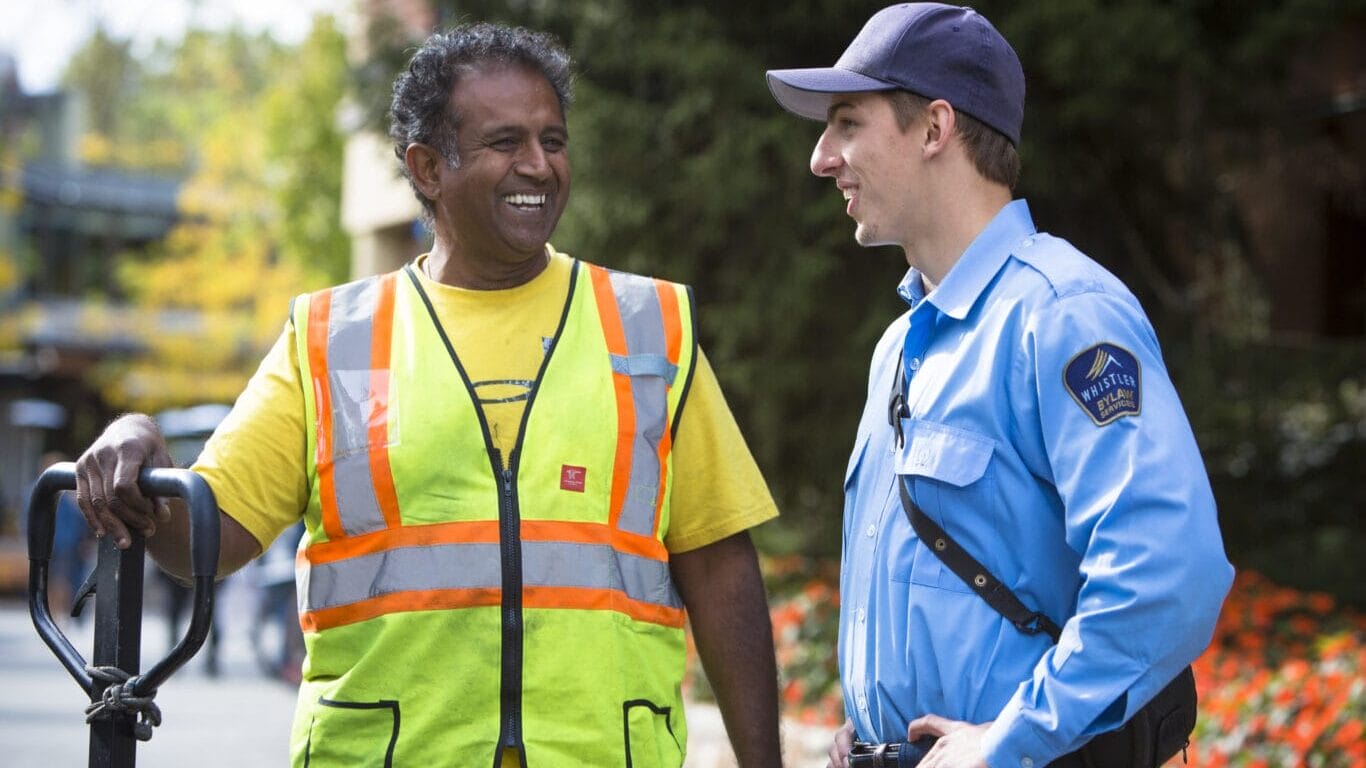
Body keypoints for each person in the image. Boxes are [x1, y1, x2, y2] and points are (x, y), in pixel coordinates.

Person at [74, 22, 781, 767]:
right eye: (505, 142)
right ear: (428, 167)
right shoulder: (332, 339)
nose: (539, 165)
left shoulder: (649, 327)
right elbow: (205, 542)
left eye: (553, 141)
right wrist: (137, 438)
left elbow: (719, 565)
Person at [766, 5, 1233, 767]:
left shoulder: (1064, 315)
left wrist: (1012, 738)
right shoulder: (898, 348)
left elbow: (1165, 576)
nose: (822, 157)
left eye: (847, 123)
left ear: (934, 128)